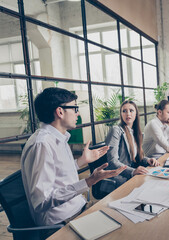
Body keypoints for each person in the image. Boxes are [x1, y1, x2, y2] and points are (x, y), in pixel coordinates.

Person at [20, 87, 126, 227]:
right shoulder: (42, 144)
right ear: (60, 112)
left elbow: (57, 175)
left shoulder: (59, 138)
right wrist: (89, 181)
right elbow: (41, 202)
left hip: (79, 207)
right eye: (75, 108)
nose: (78, 113)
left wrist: (82, 161)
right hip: (62, 220)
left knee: (123, 216)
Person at [104, 100, 160, 191]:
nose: (128, 114)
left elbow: (137, 157)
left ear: (136, 113)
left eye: (131, 110)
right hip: (119, 179)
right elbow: (112, 162)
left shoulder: (136, 132)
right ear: (121, 114)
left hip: (131, 177)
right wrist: (133, 171)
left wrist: (148, 160)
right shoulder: (116, 130)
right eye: (124, 111)